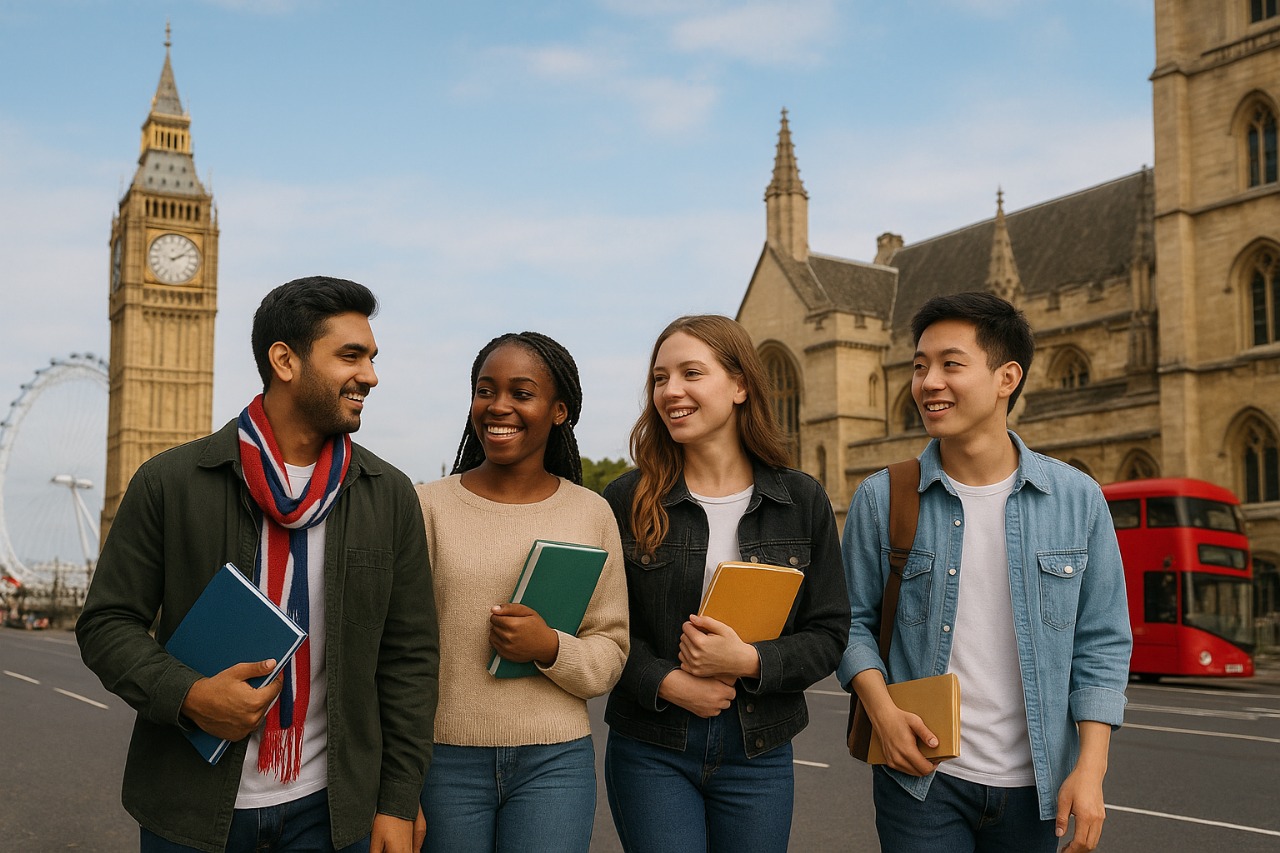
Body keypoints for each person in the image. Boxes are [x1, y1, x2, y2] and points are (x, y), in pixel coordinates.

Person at [77, 277, 438, 853]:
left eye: (371, 357)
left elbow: (410, 659)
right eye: (350, 356)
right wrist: (190, 695)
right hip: (192, 808)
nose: (370, 375)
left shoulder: (387, 494)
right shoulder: (171, 482)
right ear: (284, 361)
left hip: (332, 810)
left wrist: (397, 799)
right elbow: (106, 625)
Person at [839, 291, 1132, 853]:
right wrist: (883, 714)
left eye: (951, 364)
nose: (928, 382)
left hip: (1040, 788)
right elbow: (851, 624)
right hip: (922, 781)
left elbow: (1102, 642)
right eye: (920, 366)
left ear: (1007, 378)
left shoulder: (1078, 498)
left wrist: (1090, 772)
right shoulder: (884, 497)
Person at [602, 315, 848, 853]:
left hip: (759, 750)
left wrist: (751, 662)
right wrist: (668, 682)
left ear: (740, 386)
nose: (672, 391)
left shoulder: (801, 500)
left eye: (692, 373)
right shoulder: (625, 500)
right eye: (660, 378)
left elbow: (829, 633)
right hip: (652, 747)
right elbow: (602, 631)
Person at [415, 331, 629, 853]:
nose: (498, 406)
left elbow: (612, 649)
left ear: (559, 411)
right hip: (442, 761)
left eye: (522, 392)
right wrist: (397, 783)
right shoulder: (426, 506)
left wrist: (550, 647)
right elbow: (393, 650)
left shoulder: (591, 512)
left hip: (555, 762)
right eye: (485, 390)